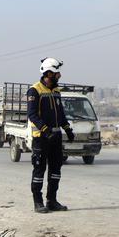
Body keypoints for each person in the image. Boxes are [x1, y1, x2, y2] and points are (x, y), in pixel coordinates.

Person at [27, 57, 74, 213]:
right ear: (48, 73)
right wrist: (46, 131)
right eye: (56, 74)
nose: (58, 77)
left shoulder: (56, 91)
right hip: (41, 138)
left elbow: (60, 114)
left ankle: (52, 201)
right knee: (39, 170)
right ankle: (38, 202)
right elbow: (32, 115)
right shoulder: (35, 90)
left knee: (56, 170)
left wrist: (67, 129)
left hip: (56, 138)